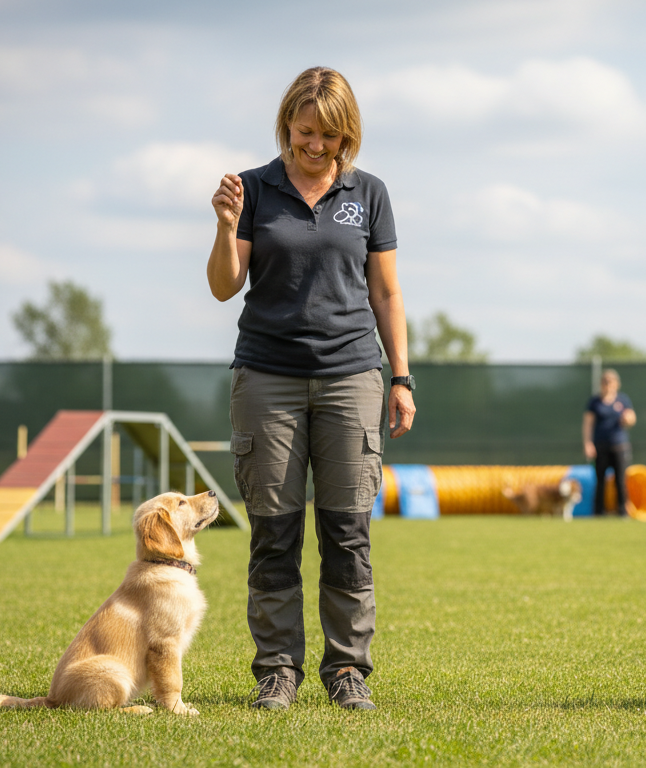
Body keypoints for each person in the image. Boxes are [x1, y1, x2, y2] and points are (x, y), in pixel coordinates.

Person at [207, 67, 415, 712]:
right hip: (266, 377)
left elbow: (385, 292)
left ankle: (347, 670)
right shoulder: (253, 188)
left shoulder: (369, 192)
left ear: (346, 133)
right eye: (304, 132)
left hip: (353, 374)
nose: (315, 145)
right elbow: (223, 286)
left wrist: (401, 377)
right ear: (286, 125)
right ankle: (276, 670)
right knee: (274, 530)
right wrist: (224, 225)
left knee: (348, 529)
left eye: (328, 134)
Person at [582, 369, 636, 517]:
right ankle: (598, 512)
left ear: (617, 384)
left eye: (611, 382)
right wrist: (588, 443)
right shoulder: (594, 402)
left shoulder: (623, 400)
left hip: (619, 446)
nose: (608, 385)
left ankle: (622, 512)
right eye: (605, 382)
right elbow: (588, 424)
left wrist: (627, 419)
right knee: (600, 481)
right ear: (601, 384)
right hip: (600, 446)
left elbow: (632, 418)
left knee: (620, 480)